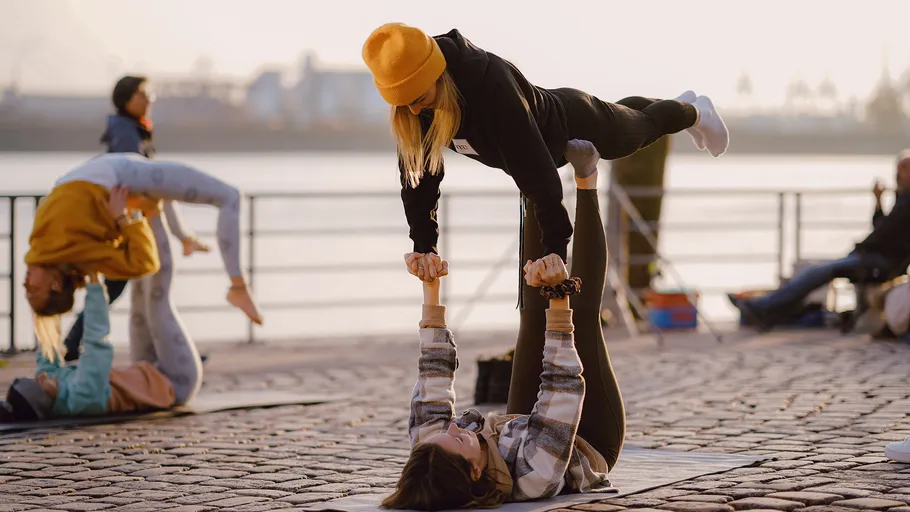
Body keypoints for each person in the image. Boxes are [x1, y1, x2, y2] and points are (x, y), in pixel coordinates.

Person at [361, 23, 729, 288]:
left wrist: (555, 248)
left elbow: (535, 173)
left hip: (571, 121)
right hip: (539, 144)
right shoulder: (418, 105)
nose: (413, 112)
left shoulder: (491, 89)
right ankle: (677, 104)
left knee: (637, 131)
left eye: (419, 100)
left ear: (439, 77)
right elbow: (419, 180)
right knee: (627, 116)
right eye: (403, 104)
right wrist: (423, 245)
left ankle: (695, 111)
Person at [383, 155, 624, 510]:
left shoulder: (433, 451)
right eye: (461, 442)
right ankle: (587, 179)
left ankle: (533, 179)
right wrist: (558, 293)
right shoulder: (534, 475)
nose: (455, 429)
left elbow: (432, 376)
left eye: (445, 434)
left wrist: (430, 288)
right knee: (582, 316)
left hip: (519, 429)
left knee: (530, 318)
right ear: (475, 472)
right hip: (587, 440)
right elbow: (564, 386)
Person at [24, 152, 262, 361]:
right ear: (55, 284)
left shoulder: (47, 248)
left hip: (113, 174)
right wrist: (122, 218)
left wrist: (122, 219)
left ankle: (227, 278)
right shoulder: (62, 250)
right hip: (114, 173)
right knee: (229, 196)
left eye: (27, 291)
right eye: (33, 290)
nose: (25, 283)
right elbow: (145, 263)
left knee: (222, 196)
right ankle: (237, 286)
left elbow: (140, 261)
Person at [62, 75, 210, 362]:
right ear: (126, 100)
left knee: (136, 290)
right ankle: (171, 355)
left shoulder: (129, 130)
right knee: (139, 289)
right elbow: (134, 182)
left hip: (131, 222)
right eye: (143, 95)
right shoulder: (128, 135)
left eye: (150, 95)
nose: (149, 100)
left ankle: (75, 344)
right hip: (131, 224)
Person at [0, 235, 201, 422]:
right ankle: (153, 213)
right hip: (175, 382)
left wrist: (46, 295)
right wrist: (94, 282)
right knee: (157, 296)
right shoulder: (84, 395)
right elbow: (96, 342)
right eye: (38, 384)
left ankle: (140, 216)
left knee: (142, 276)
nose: (40, 376)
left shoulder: (57, 387)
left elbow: (48, 350)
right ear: (47, 400)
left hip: (148, 369)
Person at [729, 150, 910, 331]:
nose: (898, 173)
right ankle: (767, 311)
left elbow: (883, 232)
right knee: (816, 272)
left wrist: (861, 248)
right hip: (872, 258)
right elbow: (882, 227)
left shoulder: (907, 200)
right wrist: (879, 201)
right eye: (898, 168)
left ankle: (764, 308)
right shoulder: (903, 198)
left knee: (816, 272)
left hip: (879, 263)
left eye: (903, 169)